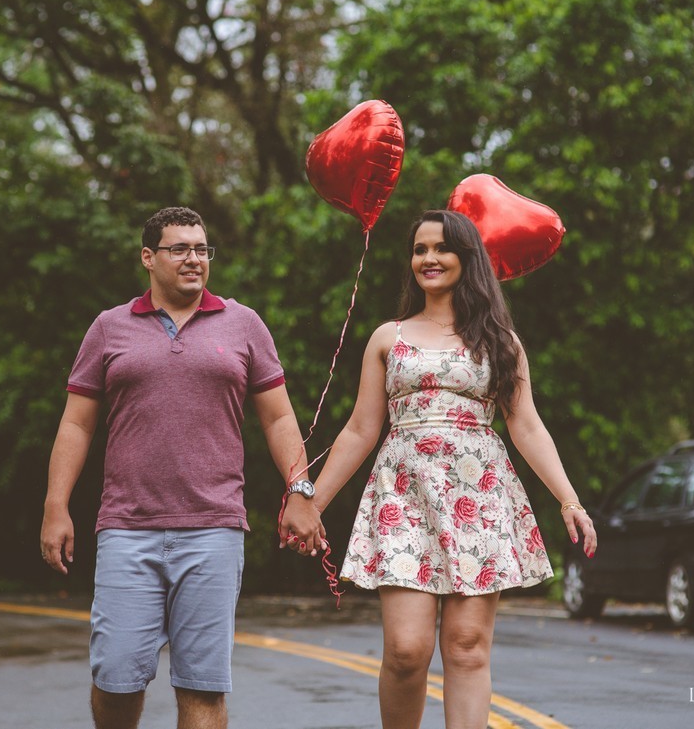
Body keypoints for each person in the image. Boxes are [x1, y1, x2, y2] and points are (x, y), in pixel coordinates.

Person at [280, 208, 596, 729]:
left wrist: (570, 501)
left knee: (467, 649)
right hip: (404, 496)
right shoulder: (389, 337)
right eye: (419, 249)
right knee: (406, 651)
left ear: (467, 258)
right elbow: (360, 430)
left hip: (481, 494)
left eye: (441, 248)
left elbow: (527, 427)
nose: (428, 258)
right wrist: (312, 502)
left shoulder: (501, 341)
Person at [41, 206, 320, 729]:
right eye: (180, 249)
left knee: (202, 686)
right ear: (149, 258)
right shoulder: (109, 328)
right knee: (116, 679)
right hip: (127, 528)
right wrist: (56, 506)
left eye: (202, 249)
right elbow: (76, 426)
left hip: (214, 529)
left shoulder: (243, 324)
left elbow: (280, 417)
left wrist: (301, 489)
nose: (194, 259)